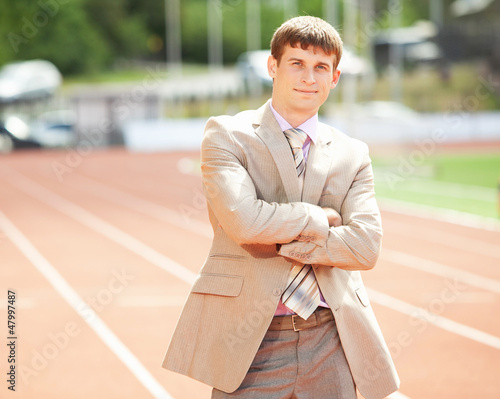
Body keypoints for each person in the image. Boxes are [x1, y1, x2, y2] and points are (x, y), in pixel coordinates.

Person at [162, 16, 399, 399]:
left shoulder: (353, 154)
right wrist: (319, 218)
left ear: (334, 77)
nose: (309, 77)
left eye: (321, 67)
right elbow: (245, 223)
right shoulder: (227, 135)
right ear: (272, 66)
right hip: (250, 340)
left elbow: (366, 247)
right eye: (297, 63)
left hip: (331, 338)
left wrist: (280, 240)